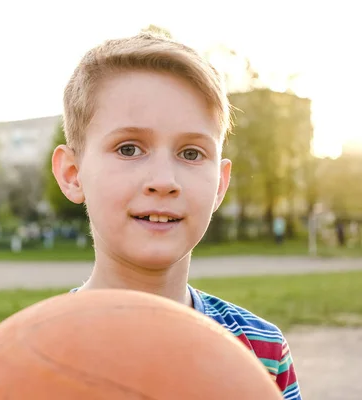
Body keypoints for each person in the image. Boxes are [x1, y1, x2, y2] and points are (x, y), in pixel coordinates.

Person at [51, 32, 301, 399]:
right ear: (73, 174)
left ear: (219, 184)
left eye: (191, 154)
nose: (164, 182)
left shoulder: (260, 352)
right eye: (129, 148)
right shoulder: (32, 351)